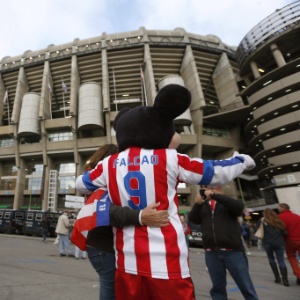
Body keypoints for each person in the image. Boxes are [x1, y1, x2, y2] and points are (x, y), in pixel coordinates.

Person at [75, 84, 256, 300]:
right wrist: (242, 160)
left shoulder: (108, 163)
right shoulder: (170, 158)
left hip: (127, 261)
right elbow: (214, 172)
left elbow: (81, 184)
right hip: (167, 261)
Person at [71, 144, 169, 300]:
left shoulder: (96, 182)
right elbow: (108, 211)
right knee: (111, 290)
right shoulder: (103, 183)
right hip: (103, 246)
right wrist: (140, 216)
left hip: (99, 245)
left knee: (113, 288)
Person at [189, 186, 259, 300]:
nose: (208, 190)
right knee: (217, 287)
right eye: (206, 188)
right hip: (212, 252)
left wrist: (215, 196)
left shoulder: (227, 204)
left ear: (219, 189)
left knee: (245, 285)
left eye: (212, 188)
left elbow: (238, 207)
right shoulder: (204, 206)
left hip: (232, 251)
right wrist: (198, 204)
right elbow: (193, 219)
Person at [261, 208, 289, 286]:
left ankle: (277, 277)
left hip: (268, 243)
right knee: (281, 260)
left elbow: (260, 231)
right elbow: (285, 232)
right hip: (279, 243)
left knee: (271, 259)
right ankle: (285, 280)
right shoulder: (279, 222)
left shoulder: (264, 222)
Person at [278, 203, 300, 286]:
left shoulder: (280, 217)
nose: (278, 209)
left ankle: (299, 275)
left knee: (291, 257)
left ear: (283, 208)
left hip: (289, 240)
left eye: (279, 208)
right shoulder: (297, 216)